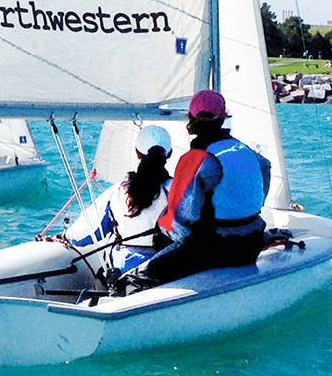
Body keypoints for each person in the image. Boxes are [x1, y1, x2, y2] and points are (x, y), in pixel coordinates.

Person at [130, 90, 271, 286]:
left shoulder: (196, 159)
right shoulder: (243, 149)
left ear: (191, 119)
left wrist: (161, 231)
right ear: (223, 118)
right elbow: (265, 167)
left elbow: (179, 222)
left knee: (143, 273)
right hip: (251, 244)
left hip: (216, 251)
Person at [64, 125, 175, 277]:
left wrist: (65, 236)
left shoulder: (118, 191)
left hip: (124, 270)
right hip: (164, 270)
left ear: (137, 153)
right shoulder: (178, 190)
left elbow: (85, 235)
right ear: (169, 154)